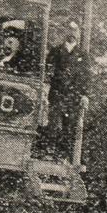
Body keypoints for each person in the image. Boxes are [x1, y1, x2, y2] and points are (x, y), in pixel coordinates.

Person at [45, 19, 89, 157]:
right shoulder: (56, 51)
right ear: (65, 31)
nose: (72, 33)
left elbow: (86, 76)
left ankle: (63, 154)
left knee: (68, 125)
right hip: (57, 92)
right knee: (53, 122)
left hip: (73, 95)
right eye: (70, 29)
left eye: (75, 30)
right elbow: (48, 71)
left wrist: (85, 94)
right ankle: (49, 149)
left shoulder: (83, 55)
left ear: (79, 33)